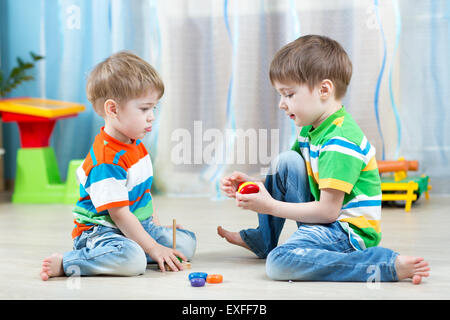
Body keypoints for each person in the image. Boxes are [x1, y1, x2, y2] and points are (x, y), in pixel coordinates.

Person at [218, 35, 430, 284]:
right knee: (285, 162)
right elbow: (289, 179)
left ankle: (381, 263)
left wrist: (268, 206)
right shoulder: (312, 128)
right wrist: (254, 184)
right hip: (325, 221)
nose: (281, 105)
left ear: (324, 90)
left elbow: (329, 211)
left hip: (347, 233)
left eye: (288, 94)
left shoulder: (340, 140)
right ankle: (263, 240)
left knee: (279, 263)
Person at [40, 51, 196, 280]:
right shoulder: (106, 160)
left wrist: (154, 224)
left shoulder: (135, 143)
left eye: (154, 108)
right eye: (144, 109)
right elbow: (120, 215)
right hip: (102, 231)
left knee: (185, 243)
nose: (152, 116)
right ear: (112, 109)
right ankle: (69, 262)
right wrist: (153, 247)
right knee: (133, 261)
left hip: (136, 223)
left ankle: (139, 247)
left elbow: (142, 192)